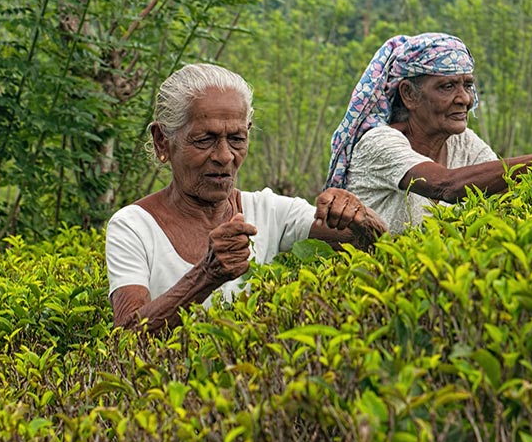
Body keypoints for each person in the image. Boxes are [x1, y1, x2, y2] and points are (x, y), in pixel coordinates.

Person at [106, 63, 387, 333]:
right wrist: (206, 275)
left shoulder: (269, 211)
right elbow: (127, 335)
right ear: (162, 141)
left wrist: (358, 214)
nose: (225, 156)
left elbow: (373, 244)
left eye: (237, 139)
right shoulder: (133, 226)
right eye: (205, 140)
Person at [325, 32, 532, 235]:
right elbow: (446, 186)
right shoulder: (379, 142)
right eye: (447, 87)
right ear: (409, 94)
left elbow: (506, 191)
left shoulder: (461, 141)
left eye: (467, 85)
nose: (465, 99)